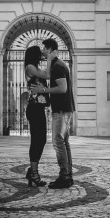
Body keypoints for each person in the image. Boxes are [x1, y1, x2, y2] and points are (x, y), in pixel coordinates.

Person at [30, 38, 75, 189]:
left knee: (58, 142)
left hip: (61, 110)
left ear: (49, 50)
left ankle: (64, 176)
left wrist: (43, 90)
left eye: (44, 49)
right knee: (64, 142)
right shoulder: (58, 64)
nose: (42, 51)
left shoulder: (57, 66)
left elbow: (62, 88)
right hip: (65, 109)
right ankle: (67, 175)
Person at [23, 45, 49, 187]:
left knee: (42, 139)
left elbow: (45, 74)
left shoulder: (35, 67)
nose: (41, 55)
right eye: (39, 53)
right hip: (34, 108)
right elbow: (47, 75)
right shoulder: (30, 67)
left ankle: (32, 170)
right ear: (34, 55)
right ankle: (33, 172)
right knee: (36, 140)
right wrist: (50, 58)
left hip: (39, 108)